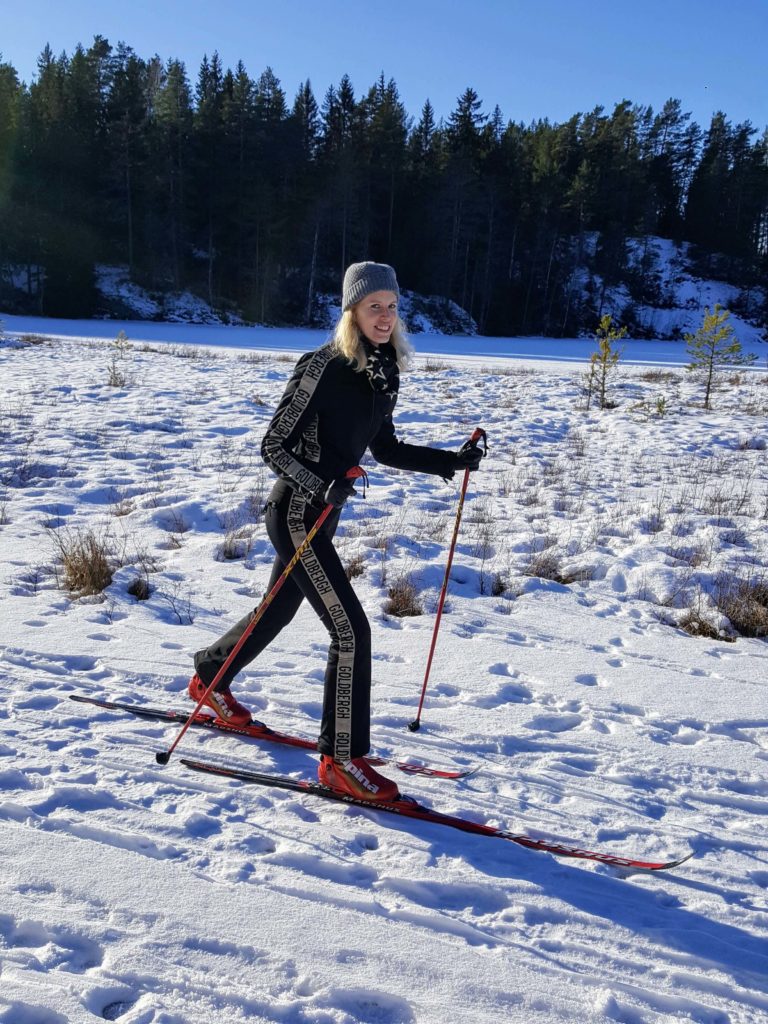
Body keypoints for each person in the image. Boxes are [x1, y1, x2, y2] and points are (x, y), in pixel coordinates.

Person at [189, 262, 483, 802]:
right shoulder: (321, 366)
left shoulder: (383, 369)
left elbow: (386, 448)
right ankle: (342, 760)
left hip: (322, 516)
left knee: (276, 609)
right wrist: (322, 483)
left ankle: (209, 676)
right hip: (296, 513)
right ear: (352, 311)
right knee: (351, 632)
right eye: (374, 307)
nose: (385, 317)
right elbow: (273, 446)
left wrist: (451, 461)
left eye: (392, 307)